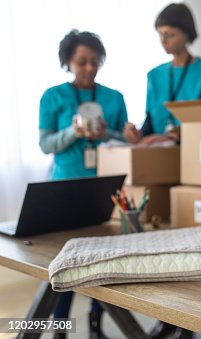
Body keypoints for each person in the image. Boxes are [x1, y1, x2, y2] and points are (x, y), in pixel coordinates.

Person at [39, 30, 128, 339]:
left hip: (104, 189)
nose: (89, 68)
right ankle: (60, 328)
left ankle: (96, 323)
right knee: (66, 264)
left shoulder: (114, 97)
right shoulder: (52, 96)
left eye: (95, 61)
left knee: (102, 263)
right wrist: (73, 133)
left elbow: (125, 141)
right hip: (64, 188)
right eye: (81, 62)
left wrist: (106, 134)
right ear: (67, 62)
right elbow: (45, 144)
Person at [123, 3, 201, 145]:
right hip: (161, 153)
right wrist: (137, 134)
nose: (163, 41)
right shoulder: (155, 75)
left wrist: (173, 136)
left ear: (186, 33)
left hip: (195, 147)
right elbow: (151, 123)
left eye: (170, 35)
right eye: (160, 34)